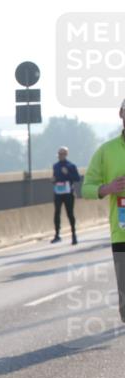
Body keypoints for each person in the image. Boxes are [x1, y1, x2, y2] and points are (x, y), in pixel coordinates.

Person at [81, 99, 125, 324]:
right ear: (121, 114)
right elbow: (85, 188)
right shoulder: (106, 151)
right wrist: (108, 188)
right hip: (121, 232)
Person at [52, 146, 82, 244]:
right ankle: (57, 235)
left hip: (69, 193)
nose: (60, 156)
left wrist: (68, 173)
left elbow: (77, 178)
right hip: (58, 193)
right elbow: (56, 178)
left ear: (66, 154)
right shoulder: (55, 166)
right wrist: (53, 180)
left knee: (70, 214)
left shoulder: (71, 166)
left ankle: (74, 235)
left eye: (62, 154)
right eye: (59, 154)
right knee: (57, 212)